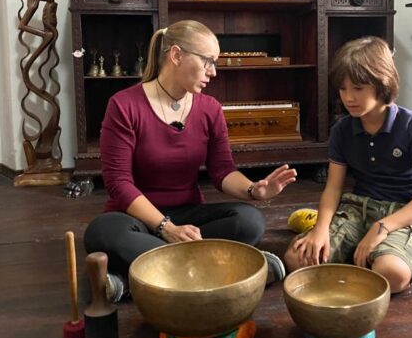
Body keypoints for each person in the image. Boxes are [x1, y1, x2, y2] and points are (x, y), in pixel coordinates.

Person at [84, 20, 297, 301]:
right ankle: (229, 271)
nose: (213, 72)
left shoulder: (210, 109)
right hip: (136, 218)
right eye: (208, 61)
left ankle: (135, 279)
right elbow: (118, 183)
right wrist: (166, 228)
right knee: (102, 233)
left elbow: (222, 170)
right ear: (176, 55)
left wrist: (253, 190)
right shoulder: (124, 105)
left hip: (189, 216)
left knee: (250, 221)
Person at [283, 37, 412, 293]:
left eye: (358, 88)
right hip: (358, 208)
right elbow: (333, 188)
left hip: (405, 214)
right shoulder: (342, 130)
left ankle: (370, 256)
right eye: (343, 89)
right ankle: (359, 256)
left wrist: (382, 227)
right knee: (296, 259)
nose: (348, 97)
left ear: (383, 82)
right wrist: (320, 230)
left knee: (392, 274)